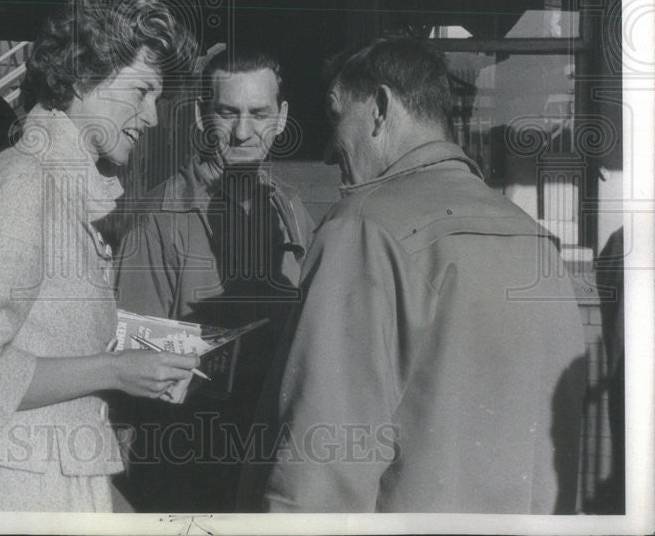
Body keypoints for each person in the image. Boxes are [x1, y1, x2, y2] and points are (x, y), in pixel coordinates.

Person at [241, 38, 586, 513]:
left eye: (336, 115)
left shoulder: (361, 230)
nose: (327, 150)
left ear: (380, 108)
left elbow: (317, 476)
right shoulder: (538, 243)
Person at [0, 0, 200, 512]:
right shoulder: (24, 184)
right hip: (22, 489)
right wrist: (115, 370)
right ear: (82, 77)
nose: (152, 117)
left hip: (50, 473)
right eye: (142, 92)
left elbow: (43, 329)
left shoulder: (58, 186)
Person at [115, 48, 313, 512]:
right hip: (187, 468)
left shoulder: (291, 211)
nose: (243, 132)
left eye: (259, 114)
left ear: (281, 118)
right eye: (227, 113)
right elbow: (126, 373)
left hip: (269, 461)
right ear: (202, 117)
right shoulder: (159, 219)